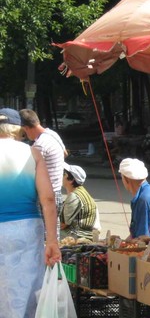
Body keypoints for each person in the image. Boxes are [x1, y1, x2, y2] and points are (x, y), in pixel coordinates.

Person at [0, 108, 61, 316]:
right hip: (26, 228)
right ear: (19, 130)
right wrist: (52, 241)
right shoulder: (32, 153)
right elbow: (48, 199)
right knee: (26, 289)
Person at [20, 108, 68, 237]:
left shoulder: (39, 145)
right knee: (54, 230)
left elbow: (29, 173)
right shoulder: (52, 134)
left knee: (45, 235)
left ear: (25, 128)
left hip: (45, 195)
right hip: (57, 191)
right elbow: (65, 153)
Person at [61, 163, 101, 240]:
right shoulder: (82, 191)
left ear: (71, 180)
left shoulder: (74, 197)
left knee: (47, 233)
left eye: (63, 174)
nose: (60, 176)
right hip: (88, 232)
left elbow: (63, 224)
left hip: (81, 235)